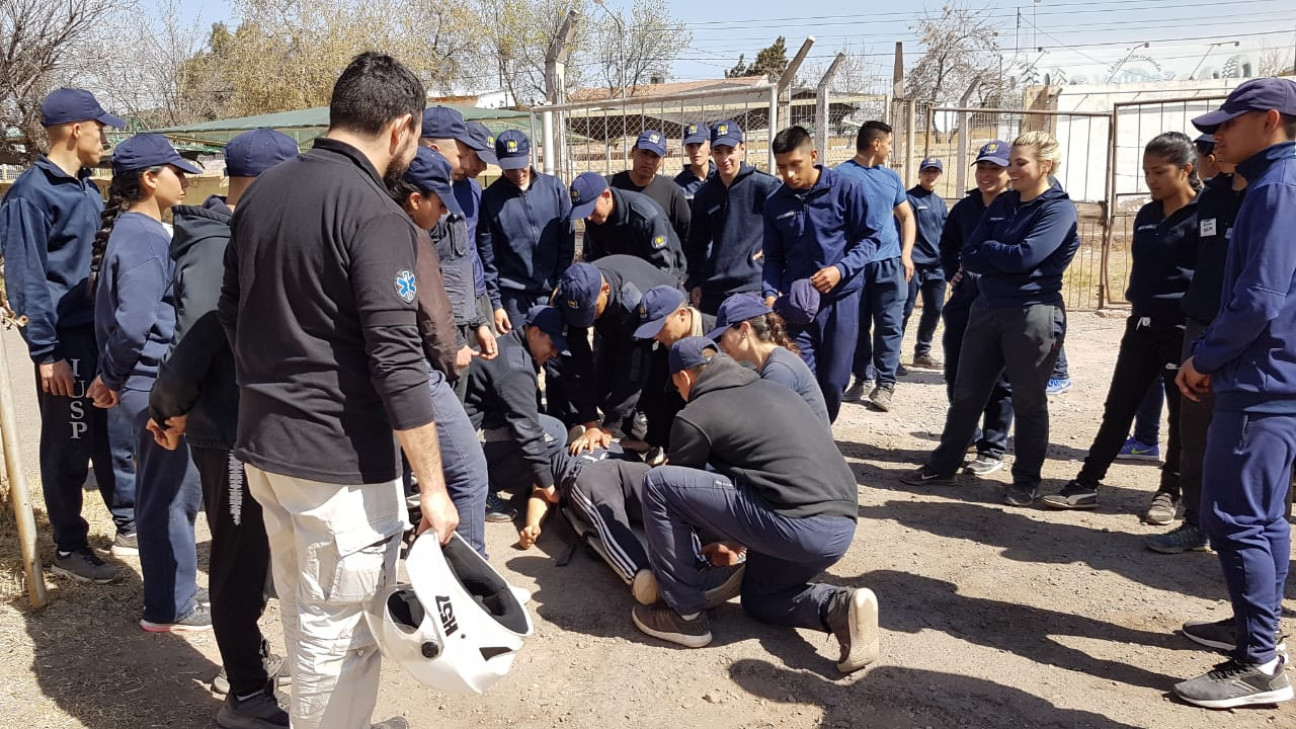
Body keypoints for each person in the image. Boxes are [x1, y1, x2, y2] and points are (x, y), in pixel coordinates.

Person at [216, 52, 457, 729]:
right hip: (335, 469)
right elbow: (398, 359)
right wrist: (433, 489)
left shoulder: (263, 191)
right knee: (340, 639)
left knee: (304, 610)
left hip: (266, 450)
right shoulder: (375, 214)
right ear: (403, 127)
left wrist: (281, 378)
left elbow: (229, 313)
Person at [146, 127, 297, 727]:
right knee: (236, 561)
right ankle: (246, 693)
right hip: (227, 429)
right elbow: (201, 340)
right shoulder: (218, 246)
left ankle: (250, 660)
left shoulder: (250, 233)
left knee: (258, 556)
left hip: (255, 426)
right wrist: (171, 406)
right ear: (267, 181)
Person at [632, 337, 878, 675]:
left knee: (659, 484)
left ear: (685, 378)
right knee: (761, 598)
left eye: (676, 386)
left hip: (796, 525)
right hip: (841, 525)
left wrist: (705, 546)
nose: (678, 392)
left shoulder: (696, 414)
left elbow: (680, 493)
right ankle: (839, 607)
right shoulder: (777, 391)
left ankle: (684, 617)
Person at [1171, 77, 1296, 710]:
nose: (1217, 136)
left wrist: (1206, 358)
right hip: (1277, 373)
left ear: (1269, 119)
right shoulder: (1277, 179)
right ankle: (1258, 629)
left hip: (1261, 377)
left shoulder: (1276, 186)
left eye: (1228, 124)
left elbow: (1261, 296)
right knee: (1266, 515)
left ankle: (1259, 664)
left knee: (1238, 517)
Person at [901, 131, 1080, 507]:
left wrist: (995, 252)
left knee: (1029, 400)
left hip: (1033, 314)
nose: (1012, 170)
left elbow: (1025, 257)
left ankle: (1026, 480)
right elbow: (969, 254)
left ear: (1044, 166)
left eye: (1020, 163)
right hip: (986, 308)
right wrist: (1001, 254)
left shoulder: (1058, 209)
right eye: (1011, 162)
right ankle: (943, 465)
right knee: (967, 393)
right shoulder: (1003, 204)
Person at [0, 87, 134, 583]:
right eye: (101, 128)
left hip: (97, 335)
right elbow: (27, 278)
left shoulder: (85, 187)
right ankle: (69, 547)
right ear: (76, 130)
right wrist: (46, 352)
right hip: (64, 343)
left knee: (110, 436)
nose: (105, 137)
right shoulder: (30, 195)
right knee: (68, 443)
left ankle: (127, 525)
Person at [1041, 132, 1200, 520]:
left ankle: (1168, 492)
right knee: (1118, 408)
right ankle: (1086, 484)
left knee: (1180, 417)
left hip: (1182, 331)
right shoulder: (1147, 215)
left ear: (1187, 170)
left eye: (1160, 172)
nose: (1152, 180)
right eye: (1147, 172)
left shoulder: (1205, 214)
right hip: (1141, 328)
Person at [87, 134, 206, 631]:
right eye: (175, 171)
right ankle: (170, 606)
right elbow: (136, 322)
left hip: (144, 382)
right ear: (148, 178)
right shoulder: (141, 235)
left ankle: (173, 593)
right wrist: (112, 376)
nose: (185, 179)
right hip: (151, 384)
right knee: (172, 494)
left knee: (170, 490)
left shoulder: (141, 230)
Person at [389, 147, 493, 556]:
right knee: (468, 471)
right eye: (439, 203)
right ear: (416, 200)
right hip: (413, 369)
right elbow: (431, 308)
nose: (443, 213)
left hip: (375, 374)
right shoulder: (412, 236)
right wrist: (453, 352)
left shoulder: (367, 222)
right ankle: (472, 582)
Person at [1145, 133, 1238, 556]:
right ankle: (1197, 523)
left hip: (1256, 332)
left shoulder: (1273, 193)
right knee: (1194, 430)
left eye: (1221, 141)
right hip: (1201, 325)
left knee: (1256, 439)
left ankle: (1246, 533)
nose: (1214, 151)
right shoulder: (1212, 198)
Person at [762, 125, 880, 423]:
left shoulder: (846, 189)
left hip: (841, 301)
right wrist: (770, 294)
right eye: (781, 167)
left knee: (833, 381)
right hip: (796, 305)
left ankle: (821, 435)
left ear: (813, 155)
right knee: (800, 376)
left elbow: (869, 240)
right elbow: (773, 257)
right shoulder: (775, 203)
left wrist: (841, 270)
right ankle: (806, 444)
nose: (788, 174)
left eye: (795, 165)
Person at [937, 140, 1015, 477]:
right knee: (956, 374)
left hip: (1000, 305)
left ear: (1009, 171)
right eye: (983, 167)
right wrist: (952, 273)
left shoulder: (1017, 207)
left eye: (994, 168)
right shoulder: (965, 208)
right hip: (965, 303)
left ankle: (993, 448)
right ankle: (970, 435)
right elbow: (948, 246)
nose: (987, 174)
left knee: (1000, 381)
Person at [550, 256, 678, 453]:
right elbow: (577, 361)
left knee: (652, 387)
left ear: (605, 289)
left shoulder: (632, 304)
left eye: (593, 312)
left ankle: (655, 441)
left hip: (662, 321)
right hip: (612, 326)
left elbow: (633, 374)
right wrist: (591, 423)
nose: (587, 321)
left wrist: (608, 431)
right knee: (601, 387)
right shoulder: (569, 295)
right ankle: (633, 430)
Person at [836, 120, 916, 413]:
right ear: (877, 144)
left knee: (890, 325)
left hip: (889, 264)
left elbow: (906, 217)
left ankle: (886, 384)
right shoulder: (840, 176)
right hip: (855, 265)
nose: (891, 150)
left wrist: (906, 254)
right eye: (890, 144)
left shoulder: (891, 179)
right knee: (856, 326)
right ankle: (862, 379)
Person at [461, 305, 569, 518]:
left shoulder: (514, 346)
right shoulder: (516, 368)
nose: (554, 352)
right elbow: (528, 432)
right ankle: (481, 489)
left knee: (546, 427)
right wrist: (548, 487)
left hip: (474, 423)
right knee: (555, 434)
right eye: (552, 344)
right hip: (467, 437)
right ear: (535, 332)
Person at [421, 106, 498, 398]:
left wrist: (481, 315)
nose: (469, 164)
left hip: (472, 301)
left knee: (470, 383)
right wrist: (452, 335)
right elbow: (430, 275)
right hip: (441, 316)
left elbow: (471, 253)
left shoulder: (473, 191)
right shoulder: (419, 195)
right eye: (465, 155)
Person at [479, 130, 574, 329]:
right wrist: (496, 304)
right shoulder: (490, 199)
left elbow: (566, 241)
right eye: (509, 168)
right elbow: (488, 257)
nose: (517, 173)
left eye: (521, 165)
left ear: (530, 154)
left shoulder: (554, 189)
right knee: (522, 356)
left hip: (554, 290)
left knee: (562, 353)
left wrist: (561, 282)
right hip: (515, 297)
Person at [685, 121, 781, 314]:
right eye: (718, 151)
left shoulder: (766, 186)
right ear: (711, 152)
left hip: (753, 286)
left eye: (730, 150)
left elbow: (788, 232)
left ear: (742, 149)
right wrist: (696, 282)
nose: (725, 158)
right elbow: (696, 244)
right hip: (714, 290)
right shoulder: (704, 194)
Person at [708, 293, 829, 426]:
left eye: (722, 336)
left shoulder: (778, 370)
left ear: (744, 329)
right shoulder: (775, 362)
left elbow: (767, 428)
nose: (721, 345)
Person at [632, 284, 716, 452]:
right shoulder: (665, 346)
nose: (655, 336)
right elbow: (661, 398)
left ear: (682, 315)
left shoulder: (717, 335)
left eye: (659, 327)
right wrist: (653, 440)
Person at [571, 171, 686, 280]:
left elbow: (664, 268)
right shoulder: (594, 218)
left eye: (591, 209)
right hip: (624, 278)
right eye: (584, 212)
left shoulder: (645, 217)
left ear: (606, 196)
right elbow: (596, 258)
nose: (588, 217)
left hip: (662, 279)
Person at [458, 120, 508, 336]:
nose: (483, 168)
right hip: (453, 295)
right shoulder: (435, 188)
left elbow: (481, 243)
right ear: (461, 149)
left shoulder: (475, 189)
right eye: (479, 159)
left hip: (479, 291)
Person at [901, 157, 949, 371]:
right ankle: (893, 356)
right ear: (920, 174)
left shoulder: (939, 203)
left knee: (935, 309)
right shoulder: (909, 199)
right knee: (905, 309)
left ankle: (922, 352)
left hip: (936, 265)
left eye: (935, 172)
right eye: (927, 171)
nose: (931, 175)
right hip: (915, 263)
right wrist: (906, 256)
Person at [609, 129, 691, 243]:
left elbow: (685, 233)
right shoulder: (610, 186)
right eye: (644, 153)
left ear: (662, 160)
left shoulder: (672, 192)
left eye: (655, 156)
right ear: (633, 152)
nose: (648, 161)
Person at [674, 121, 714, 201]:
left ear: (710, 145)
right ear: (686, 149)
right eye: (690, 146)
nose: (695, 151)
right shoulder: (678, 185)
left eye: (699, 144)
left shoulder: (721, 176)